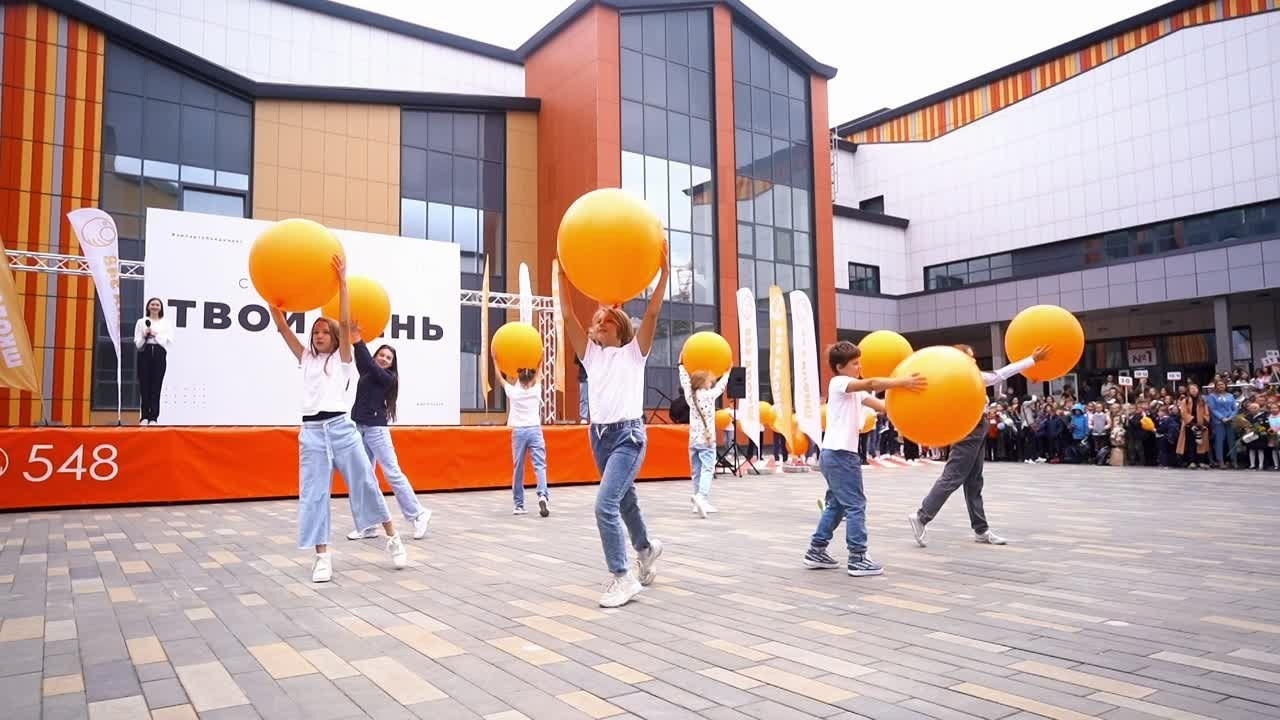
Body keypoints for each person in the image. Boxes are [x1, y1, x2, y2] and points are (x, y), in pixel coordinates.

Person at [268, 255, 406, 583]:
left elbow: (345, 325)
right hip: (312, 431)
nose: (317, 336)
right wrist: (274, 301)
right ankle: (322, 557)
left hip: (341, 429)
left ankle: (392, 537)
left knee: (364, 482)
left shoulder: (343, 359)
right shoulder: (305, 357)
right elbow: (283, 327)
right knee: (314, 493)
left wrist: (343, 283)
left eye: (322, 332)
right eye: (314, 332)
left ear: (332, 337)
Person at [558, 246, 669, 609]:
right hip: (600, 437)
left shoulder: (634, 352)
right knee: (624, 500)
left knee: (604, 505)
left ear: (620, 328)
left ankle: (622, 578)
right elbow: (567, 315)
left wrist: (663, 275)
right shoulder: (591, 355)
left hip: (628, 436)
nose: (600, 324)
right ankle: (647, 549)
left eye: (607, 320)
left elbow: (652, 311)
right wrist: (563, 276)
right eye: (598, 321)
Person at [908, 344, 1048, 548]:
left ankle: (981, 529)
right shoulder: (959, 377)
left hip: (978, 425)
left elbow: (999, 374)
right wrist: (1032, 359)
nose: (974, 361)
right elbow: (1001, 374)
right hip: (969, 427)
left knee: (974, 481)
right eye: (969, 357)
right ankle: (921, 516)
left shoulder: (967, 376)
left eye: (973, 358)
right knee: (953, 477)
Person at [805, 341, 925, 577]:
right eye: (855, 363)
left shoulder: (856, 391)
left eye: (860, 362)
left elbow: (884, 407)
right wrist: (903, 381)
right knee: (855, 505)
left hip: (836, 455)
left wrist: (907, 398)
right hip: (840, 455)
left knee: (838, 505)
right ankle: (858, 557)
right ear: (840, 367)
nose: (859, 367)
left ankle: (816, 550)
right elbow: (872, 383)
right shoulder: (839, 383)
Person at [346, 331, 432, 541]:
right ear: (375, 356)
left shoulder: (387, 378)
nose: (384, 358)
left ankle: (418, 514)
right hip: (359, 428)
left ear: (392, 364)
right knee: (363, 477)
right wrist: (355, 342)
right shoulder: (367, 373)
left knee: (392, 473)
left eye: (388, 357)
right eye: (381, 355)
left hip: (377, 430)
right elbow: (362, 360)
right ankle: (368, 525)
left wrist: (359, 341)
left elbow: (367, 360)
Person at [498, 360, 550, 517]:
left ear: (518, 379)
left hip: (519, 432)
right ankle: (542, 495)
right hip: (535, 430)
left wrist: (494, 360)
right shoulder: (536, 390)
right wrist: (540, 356)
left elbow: (500, 378)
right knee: (540, 465)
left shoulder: (513, 392)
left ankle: (519, 505)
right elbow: (540, 372)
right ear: (532, 379)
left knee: (518, 468)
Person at [678, 363, 729, 518]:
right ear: (702, 382)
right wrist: (727, 372)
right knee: (708, 469)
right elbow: (721, 387)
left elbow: (685, 380)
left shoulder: (690, 395)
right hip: (707, 440)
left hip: (693, 440)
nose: (711, 383)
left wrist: (680, 365)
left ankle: (698, 503)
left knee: (696, 471)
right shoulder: (708, 395)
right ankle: (701, 496)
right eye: (708, 380)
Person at [133, 297, 173, 425]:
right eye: (152, 304)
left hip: (159, 353)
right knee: (144, 385)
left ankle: (153, 417)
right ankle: (144, 416)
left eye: (157, 305)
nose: (155, 306)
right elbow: (137, 342)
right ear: (148, 307)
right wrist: (145, 335)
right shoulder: (141, 322)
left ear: (161, 308)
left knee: (156, 386)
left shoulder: (166, 323)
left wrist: (156, 334)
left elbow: (168, 340)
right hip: (145, 352)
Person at [1207, 380, 1240, 469]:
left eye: (1222, 384)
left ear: (1225, 385)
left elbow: (1235, 408)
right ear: (1216, 386)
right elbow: (1213, 409)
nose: (1221, 386)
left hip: (1230, 420)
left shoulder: (1230, 395)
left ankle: (1234, 460)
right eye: (1219, 385)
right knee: (1219, 441)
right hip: (1219, 421)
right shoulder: (1212, 396)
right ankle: (1220, 460)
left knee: (1231, 441)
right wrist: (1222, 418)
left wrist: (1231, 417)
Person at [1178, 384, 1211, 469]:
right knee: (1191, 443)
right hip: (1189, 424)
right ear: (1188, 391)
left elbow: (1206, 412)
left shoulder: (1202, 400)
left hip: (1201, 424)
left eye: (1195, 388)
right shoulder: (1185, 400)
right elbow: (1184, 413)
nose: (1193, 390)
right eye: (1191, 389)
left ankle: (1201, 461)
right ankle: (1192, 461)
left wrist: (1204, 423)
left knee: (1201, 443)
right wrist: (1192, 423)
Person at [1243, 400, 1268, 470]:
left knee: (1260, 450)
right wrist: (1246, 429)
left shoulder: (1263, 417)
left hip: (1260, 436)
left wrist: (1259, 429)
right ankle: (1252, 465)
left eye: (1255, 408)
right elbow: (1244, 426)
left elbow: (1266, 426)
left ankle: (1261, 465)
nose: (1253, 409)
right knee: (1251, 450)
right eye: (1251, 408)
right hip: (1250, 436)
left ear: (1259, 408)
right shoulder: (1247, 417)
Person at [575, 356, 589, 424]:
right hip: (584, 376)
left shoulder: (600, 347)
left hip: (597, 377)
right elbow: (577, 360)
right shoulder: (583, 347)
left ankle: (595, 417)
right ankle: (584, 417)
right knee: (583, 398)